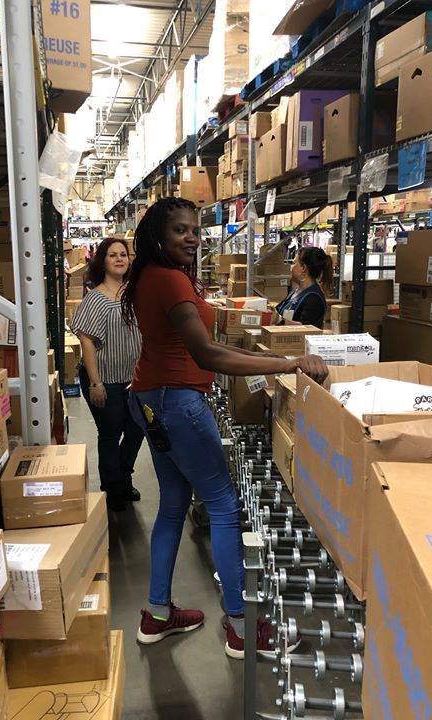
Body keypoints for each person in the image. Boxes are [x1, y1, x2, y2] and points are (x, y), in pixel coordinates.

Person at [121, 197, 328, 659]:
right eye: (180, 230)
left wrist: (273, 357)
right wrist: (287, 363)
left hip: (150, 400)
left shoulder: (150, 275)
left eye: (195, 229)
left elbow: (202, 346)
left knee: (173, 505)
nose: (192, 237)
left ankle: (157, 613)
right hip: (178, 404)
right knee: (223, 505)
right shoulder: (170, 279)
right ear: (158, 234)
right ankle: (243, 627)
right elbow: (207, 354)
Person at [71, 238, 144, 512]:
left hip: (134, 379)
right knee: (111, 433)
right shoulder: (96, 298)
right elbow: (86, 341)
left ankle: (123, 477)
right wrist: (95, 383)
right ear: (103, 261)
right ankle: (113, 488)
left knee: (137, 429)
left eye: (123, 254)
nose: (119, 259)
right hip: (105, 379)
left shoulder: (134, 294)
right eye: (112, 255)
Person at [276, 246, 333, 329]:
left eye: (294, 263)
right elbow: (279, 310)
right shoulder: (296, 291)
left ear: (303, 268)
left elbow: (306, 328)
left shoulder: (314, 298)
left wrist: (279, 320)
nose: (291, 267)